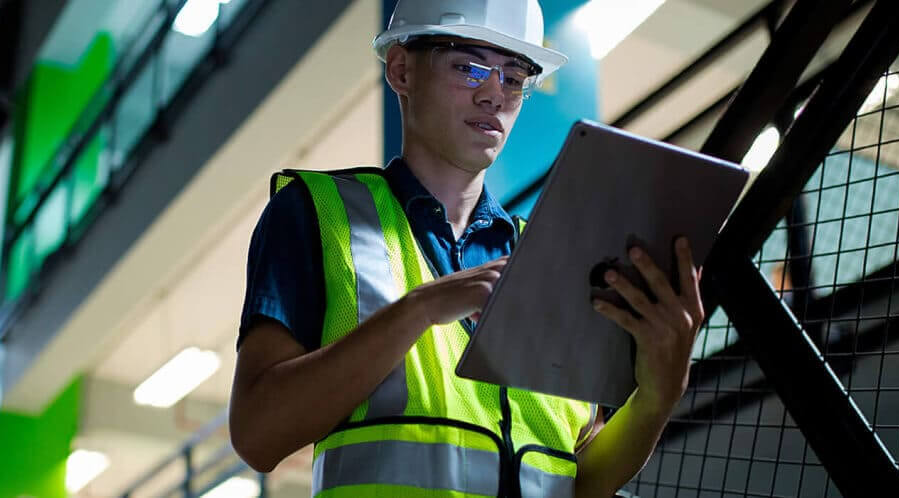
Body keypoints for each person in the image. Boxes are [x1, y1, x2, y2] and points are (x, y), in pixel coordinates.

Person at [230, 1, 705, 496]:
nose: (495, 94)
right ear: (401, 70)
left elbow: (578, 481)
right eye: (469, 66)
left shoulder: (551, 258)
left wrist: (656, 397)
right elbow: (258, 436)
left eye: (515, 77)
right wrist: (424, 305)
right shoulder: (319, 214)